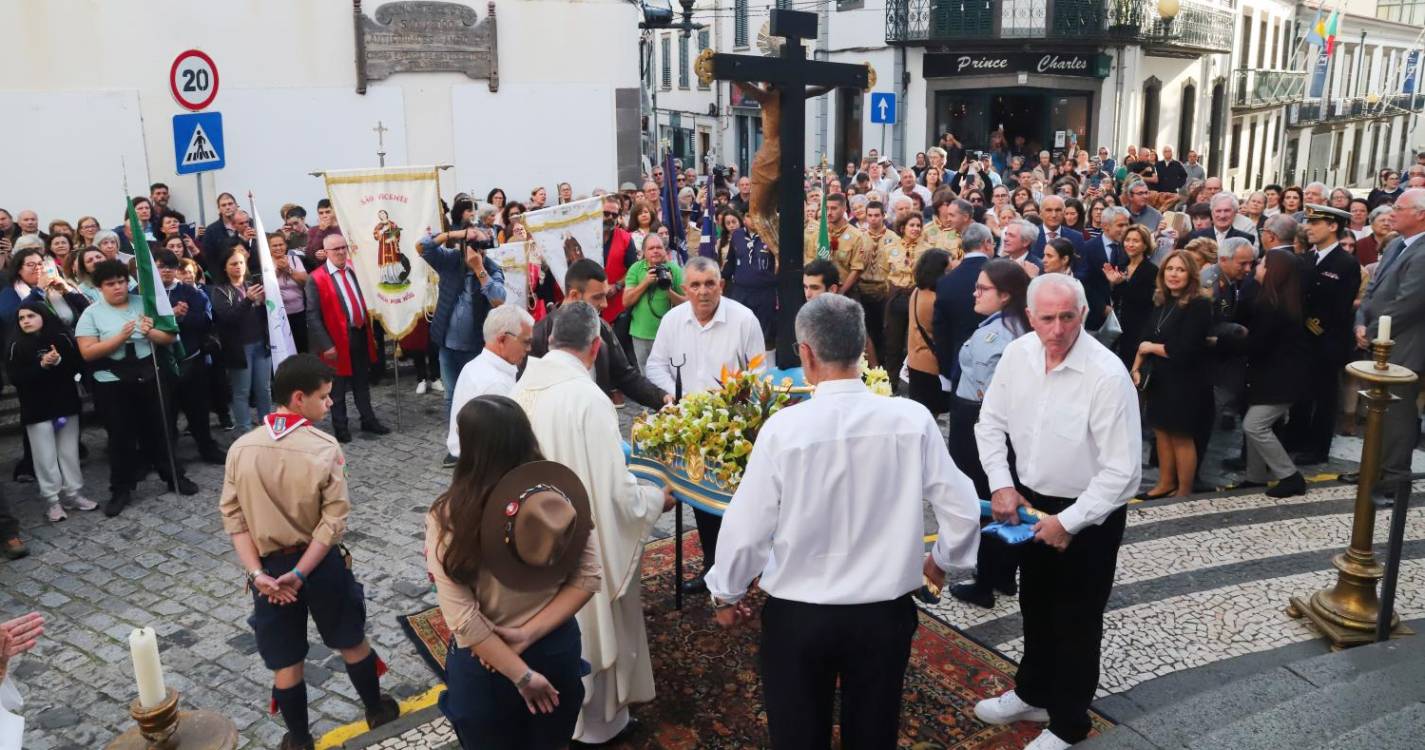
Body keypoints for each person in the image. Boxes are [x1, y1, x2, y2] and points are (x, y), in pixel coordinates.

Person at [706, 293, 981, 749]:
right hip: (883, 613)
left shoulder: (785, 429)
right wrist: (942, 559)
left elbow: (747, 527)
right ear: (863, 348)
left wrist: (726, 592)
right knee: (874, 730)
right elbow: (962, 506)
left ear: (806, 353)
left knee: (798, 733)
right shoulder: (910, 418)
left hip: (800, 616)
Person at [973, 273, 1142, 750]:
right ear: (1029, 317)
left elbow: (1123, 473)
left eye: (1068, 317)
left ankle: (1069, 723)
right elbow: (990, 425)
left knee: (1077, 619)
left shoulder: (1106, 375)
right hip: (1029, 501)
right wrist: (1002, 486)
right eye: (1047, 318)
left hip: (1090, 510)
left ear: (1084, 315)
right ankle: (1033, 691)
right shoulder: (1017, 354)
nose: (1057, 329)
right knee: (1035, 604)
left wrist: (1069, 523)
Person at [512, 302, 674, 745]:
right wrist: (656, 498)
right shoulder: (588, 398)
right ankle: (602, 725)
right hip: (587, 537)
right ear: (595, 346)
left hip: (537, 535)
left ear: (549, 341)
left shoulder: (520, 389)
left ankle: (564, 716)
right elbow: (616, 493)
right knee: (594, 622)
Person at [220, 354, 399, 750]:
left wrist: (257, 576)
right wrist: (300, 574)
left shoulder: (242, 448)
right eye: (325, 396)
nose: (331, 403)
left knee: (286, 660)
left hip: (268, 569)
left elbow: (234, 518)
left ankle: (299, 740)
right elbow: (333, 522)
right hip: (317, 564)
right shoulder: (323, 447)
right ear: (298, 398)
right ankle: (377, 710)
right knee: (350, 638)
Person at [428, 398, 599, 747]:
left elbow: (464, 621)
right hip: (553, 647)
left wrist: (522, 677)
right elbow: (587, 577)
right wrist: (528, 634)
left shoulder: (447, 516)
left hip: (487, 662)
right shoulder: (558, 500)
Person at [643, 256, 762, 592]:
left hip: (732, 429)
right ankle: (712, 570)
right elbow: (655, 366)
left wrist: (731, 404)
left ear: (721, 285)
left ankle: (744, 570)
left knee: (737, 507)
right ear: (685, 289)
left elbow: (757, 375)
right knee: (702, 503)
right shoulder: (671, 320)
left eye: (710, 283)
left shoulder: (744, 320)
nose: (703, 291)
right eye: (695, 285)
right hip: (690, 428)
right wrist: (671, 395)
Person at [76, 260, 197, 516]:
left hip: (149, 375)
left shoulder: (144, 303)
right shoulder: (92, 313)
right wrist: (120, 337)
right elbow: (87, 352)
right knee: (120, 436)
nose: (118, 287)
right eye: (111, 284)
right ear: (99, 287)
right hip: (113, 383)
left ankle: (174, 476)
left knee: (161, 430)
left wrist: (151, 332)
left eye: (121, 281)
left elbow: (170, 336)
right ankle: (121, 489)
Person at [1355, 187, 1425, 504]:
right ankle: (1372, 468)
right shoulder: (1397, 243)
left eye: (1398, 207)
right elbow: (1373, 289)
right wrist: (1360, 321)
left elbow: (1408, 303)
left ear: (1420, 214)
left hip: (1405, 347)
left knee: (1398, 417)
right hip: (1379, 340)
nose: (1390, 212)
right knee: (1376, 412)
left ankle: (1395, 480)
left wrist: (1371, 331)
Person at [530, 259, 668, 408]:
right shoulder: (538, 337)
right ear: (574, 295)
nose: (605, 304)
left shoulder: (601, 327)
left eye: (605, 295)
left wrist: (663, 398)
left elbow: (625, 376)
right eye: (597, 297)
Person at [1132, 250, 1213, 499]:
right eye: (1169, 269)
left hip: (1186, 380)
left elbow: (1186, 348)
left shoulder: (1199, 304)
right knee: (1161, 432)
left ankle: (1184, 490)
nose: (1174, 274)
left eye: (1180, 269)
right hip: (1161, 377)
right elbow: (1145, 336)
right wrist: (1136, 366)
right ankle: (1165, 483)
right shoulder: (1162, 301)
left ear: (1191, 274)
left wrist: (1151, 348)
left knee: (1180, 435)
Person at [6, 301, 95, 523]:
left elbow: (76, 366)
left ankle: (73, 493)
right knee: (44, 455)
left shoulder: (62, 339)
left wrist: (59, 361)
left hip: (64, 404)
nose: (26, 321)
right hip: (37, 409)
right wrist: (41, 366)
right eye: (22, 318)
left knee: (68, 451)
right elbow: (16, 378)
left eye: (31, 316)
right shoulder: (16, 345)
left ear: (43, 316)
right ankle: (52, 500)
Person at [1289, 205, 1362, 465]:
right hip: (1303, 340)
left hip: (1327, 341)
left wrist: (1310, 324)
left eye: (1316, 222)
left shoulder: (1346, 263)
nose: (1309, 226)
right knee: (1301, 392)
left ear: (1333, 226)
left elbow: (1340, 309)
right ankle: (1296, 437)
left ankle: (1318, 448)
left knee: (1324, 397)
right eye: (1309, 222)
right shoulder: (1309, 257)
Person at [305, 234, 391, 443]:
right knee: (337, 387)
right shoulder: (316, 278)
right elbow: (312, 316)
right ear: (326, 253)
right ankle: (340, 426)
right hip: (335, 340)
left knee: (362, 381)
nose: (342, 252)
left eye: (344, 247)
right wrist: (326, 345)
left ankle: (368, 419)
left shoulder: (355, 270)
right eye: (336, 249)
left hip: (359, 333)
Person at [1239, 249, 1310, 497]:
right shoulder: (1274, 301)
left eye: (1262, 264)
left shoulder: (1273, 306)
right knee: (1255, 422)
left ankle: (1290, 476)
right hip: (1272, 377)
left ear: (1273, 272)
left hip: (1280, 380)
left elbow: (1257, 344)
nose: (1257, 267)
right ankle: (1255, 476)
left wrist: (1222, 342)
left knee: (1254, 425)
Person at [419, 225, 508, 424]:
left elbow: (499, 300)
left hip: (475, 348)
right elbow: (423, 247)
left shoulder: (491, 268)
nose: (479, 251)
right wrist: (457, 234)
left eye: (483, 247)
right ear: (463, 246)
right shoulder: (451, 260)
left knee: (476, 398)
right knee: (451, 396)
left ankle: (474, 443)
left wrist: (479, 269)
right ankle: (454, 447)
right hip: (447, 346)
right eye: (474, 246)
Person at [158, 249, 225, 465]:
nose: (166, 270)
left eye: (171, 266)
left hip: (191, 361)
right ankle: (168, 457)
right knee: (166, 414)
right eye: (161, 266)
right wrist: (171, 315)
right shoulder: (143, 294)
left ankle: (207, 448)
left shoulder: (192, 293)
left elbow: (205, 322)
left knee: (198, 410)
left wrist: (183, 317)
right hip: (161, 365)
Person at [445, 305, 534, 460]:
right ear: (502, 339)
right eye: (525, 342)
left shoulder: (474, 365)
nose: (529, 349)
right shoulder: (496, 385)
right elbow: (506, 445)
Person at [211, 246, 273, 433]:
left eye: (241, 263)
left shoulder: (252, 284)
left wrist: (263, 303)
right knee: (242, 391)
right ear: (225, 267)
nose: (238, 267)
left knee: (264, 388)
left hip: (260, 343)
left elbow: (265, 315)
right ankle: (244, 429)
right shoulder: (220, 291)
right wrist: (247, 300)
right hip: (239, 348)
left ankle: (266, 424)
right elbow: (228, 318)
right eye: (233, 264)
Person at [932, 222, 992, 390]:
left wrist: (945, 371)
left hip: (958, 367)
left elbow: (940, 331)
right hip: (994, 364)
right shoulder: (998, 273)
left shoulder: (945, 282)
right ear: (987, 243)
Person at [623, 234, 686, 371]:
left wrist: (668, 290)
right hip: (641, 334)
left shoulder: (674, 269)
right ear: (644, 252)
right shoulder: (636, 269)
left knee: (670, 373)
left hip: (668, 334)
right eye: (651, 248)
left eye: (659, 247)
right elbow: (626, 301)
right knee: (646, 376)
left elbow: (687, 304)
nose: (656, 251)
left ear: (665, 251)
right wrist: (645, 283)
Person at [1104, 224, 1159, 369]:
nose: (1130, 244)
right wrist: (1113, 284)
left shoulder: (1151, 270)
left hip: (1138, 328)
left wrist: (1121, 284)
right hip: (1118, 326)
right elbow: (1117, 298)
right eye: (1127, 240)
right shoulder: (1122, 266)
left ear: (1145, 245)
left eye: (1136, 241)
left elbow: (1145, 300)